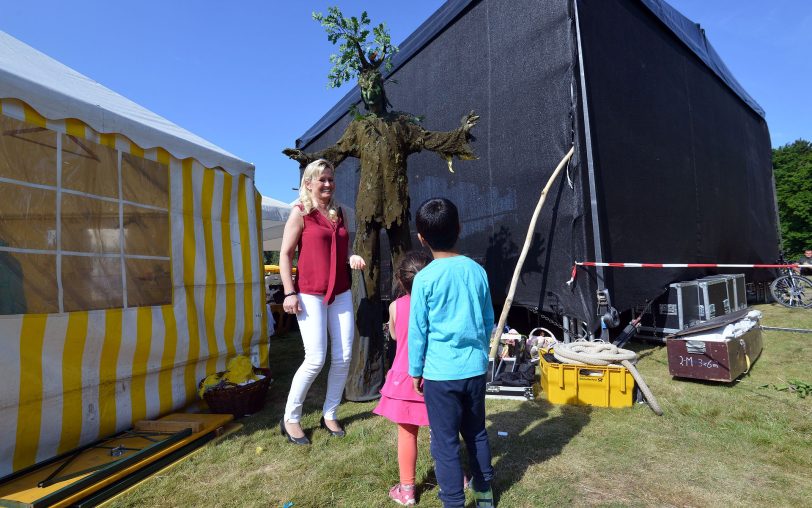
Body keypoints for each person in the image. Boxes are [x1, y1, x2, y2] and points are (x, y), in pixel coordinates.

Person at [408, 198, 496, 508]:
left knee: (445, 445)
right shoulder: (477, 271)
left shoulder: (424, 279)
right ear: (459, 229)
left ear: (421, 238)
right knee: (477, 435)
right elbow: (488, 321)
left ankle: (454, 503)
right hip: (474, 370)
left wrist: (415, 371)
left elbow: (417, 331)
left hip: (439, 376)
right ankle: (485, 497)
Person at [279, 159, 366, 445]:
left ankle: (329, 413)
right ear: (308, 183)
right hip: (309, 293)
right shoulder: (300, 212)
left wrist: (350, 256)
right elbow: (285, 255)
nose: (328, 184)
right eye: (322, 180)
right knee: (316, 358)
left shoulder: (339, 213)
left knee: (342, 357)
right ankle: (290, 418)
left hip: (339, 291)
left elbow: (340, 249)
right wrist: (289, 293)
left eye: (331, 179)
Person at [373, 250, 433, 505]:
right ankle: (455, 477)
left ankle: (407, 489)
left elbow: (396, 336)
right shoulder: (438, 304)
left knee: (407, 434)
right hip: (435, 377)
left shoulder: (395, 306)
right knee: (443, 432)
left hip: (405, 378)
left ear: (400, 279)